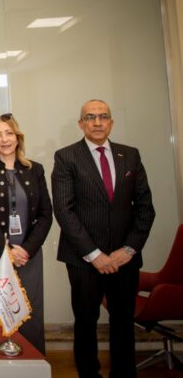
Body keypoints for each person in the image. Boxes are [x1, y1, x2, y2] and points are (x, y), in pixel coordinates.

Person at [52, 99, 155, 378]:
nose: (97, 122)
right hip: (84, 259)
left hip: (124, 259)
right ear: (81, 123)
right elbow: (64, 211)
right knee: (86, 321)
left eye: (103, 116)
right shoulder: (66, 157)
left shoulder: (130, 155)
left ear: (111, 122)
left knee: (123, 322)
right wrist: (95, 255)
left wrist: (129, 249)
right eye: (90, 117)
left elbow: (145, 208)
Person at [0, 113, 52, 354]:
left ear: (17, 137)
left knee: (29, 309)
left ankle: (33, 361)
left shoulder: (35, 169)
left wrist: (26, 249)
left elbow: (46, 214)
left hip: (28, 252)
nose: (4, 139)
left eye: (9, 133)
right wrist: (6, 250)